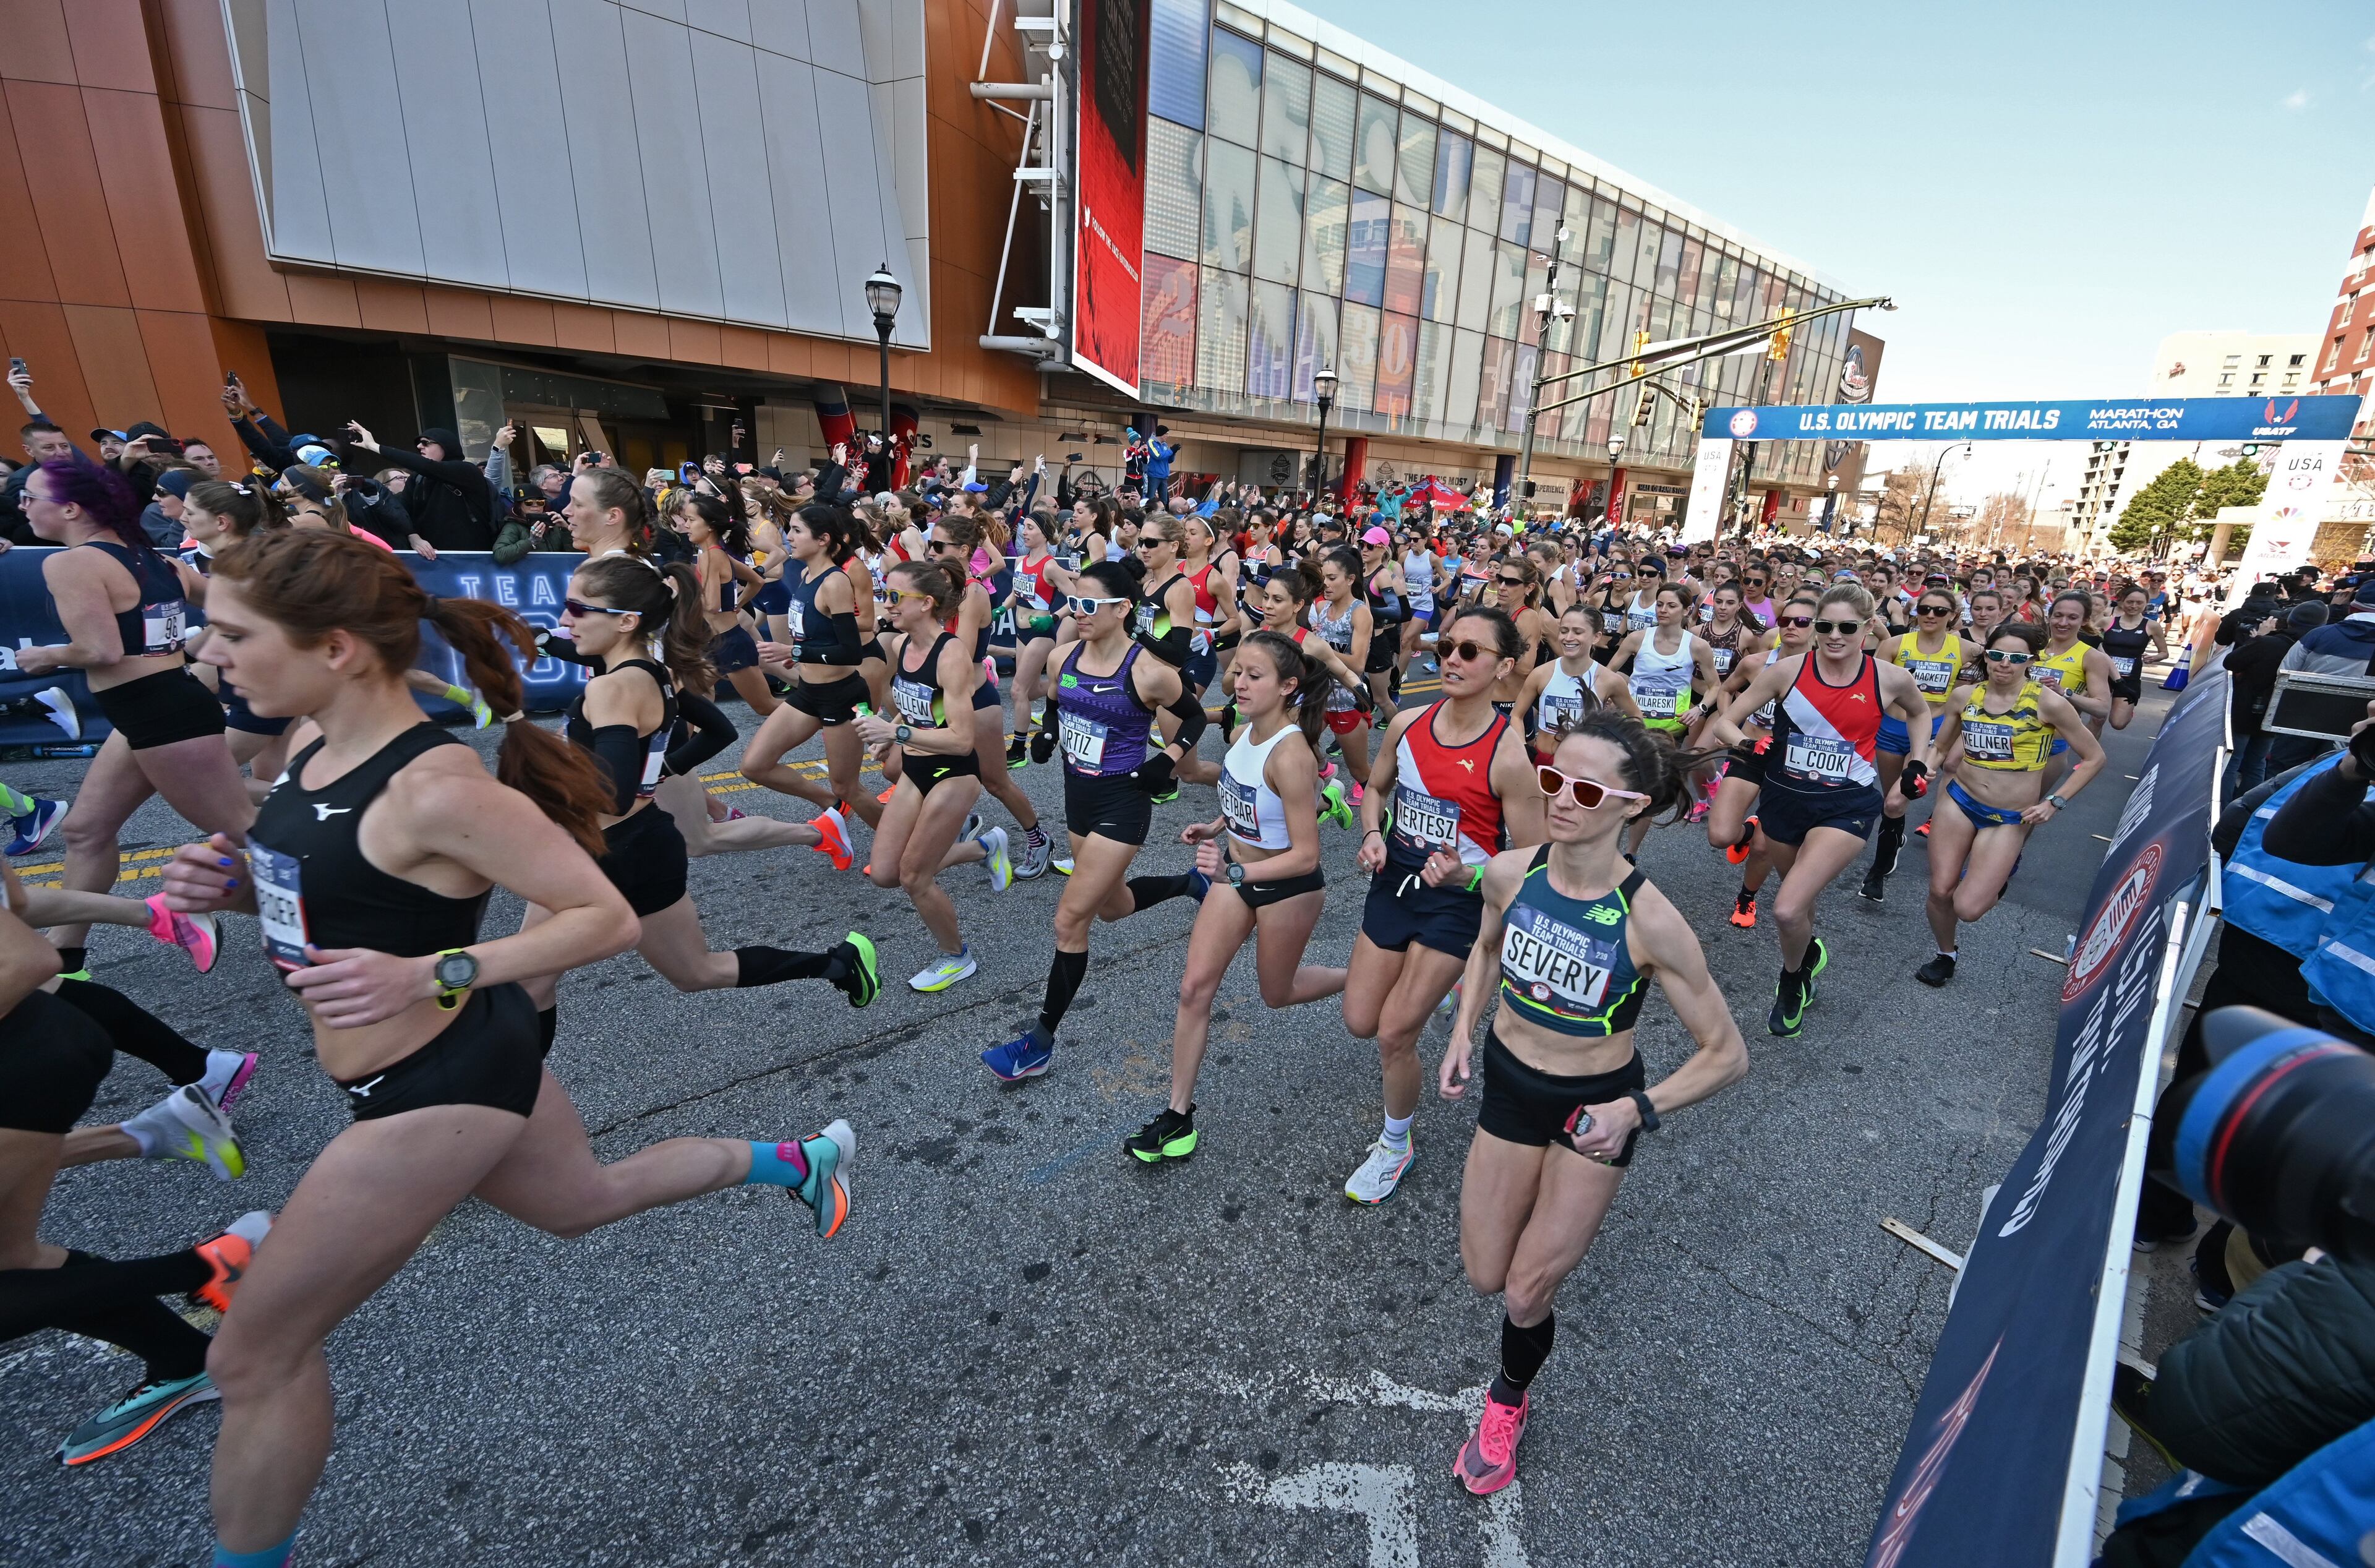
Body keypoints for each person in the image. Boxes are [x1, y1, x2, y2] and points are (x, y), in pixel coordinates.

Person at [161, 528, 860, 1568]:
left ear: (338, 646)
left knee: (256, 1352)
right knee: (586, 1201)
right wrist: (241, 880)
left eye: (230, 633)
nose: (209, 654)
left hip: (435, 1084)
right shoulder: (309, 744)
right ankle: (800, 1163)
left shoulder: (437, 785)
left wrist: (432, 973)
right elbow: (336, 862)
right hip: (452, 1061)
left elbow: (601, 917)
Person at [1436, 711, 1748, 1496]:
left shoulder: (1653, 921)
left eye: (1582, 788)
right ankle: (1517, 1355)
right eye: (1552, 779)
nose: (1560, 799)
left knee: (1525, 1289)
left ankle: (1507, 1400)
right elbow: (1484, 949)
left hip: (1591, 1115)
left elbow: (1727, 1054)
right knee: (1483, 1273)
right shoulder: (1511, 872)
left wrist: (1636, 1110)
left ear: (1631, 806)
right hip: (1510, 1084)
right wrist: (1462, 1032)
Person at [522, 551, 880, 1043]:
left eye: (578, 609)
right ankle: (838, 964)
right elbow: (717, 730)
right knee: (695, 972)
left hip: (609, 851)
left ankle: (519, 1097)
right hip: (639, 843)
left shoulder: (611, 690)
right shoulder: (652, 671)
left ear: (626, 620)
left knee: (529, 980)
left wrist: (540, 777)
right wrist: (664, 769)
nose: (565, 619)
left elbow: (615, 795)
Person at [12, 452, 257, 978]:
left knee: (246, 830)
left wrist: (44, 655)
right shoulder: (153, 557)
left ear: (73, 508)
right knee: (84, 830)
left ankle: (356, 905)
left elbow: (99, 649)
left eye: (31, 497)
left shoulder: (71, 563)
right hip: (161, 707)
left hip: (165, 716)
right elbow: (232, 602)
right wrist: (192, 652)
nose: (22, 505)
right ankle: (67, 959)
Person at [1341, 607, 1546, 1203]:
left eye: (1471, 652)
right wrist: (1372, 834)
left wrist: (1469, 873)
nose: (1452, 658)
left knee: (1392, 1033)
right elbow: (1375, 788)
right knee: (1359, 1019)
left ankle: (1395, 1144)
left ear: (1504, 667)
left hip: (1456, 904)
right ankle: (1437, 986)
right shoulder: (1407, 724)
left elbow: (1533, 860)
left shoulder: (1508, 757)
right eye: (1449, 646)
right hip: (1396, 882)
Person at [1129, 630, 1348, 1161]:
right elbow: (1244, 796)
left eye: (1255, 675)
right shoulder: (1242, 735)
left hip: (1286, 886)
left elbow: (1306, 856)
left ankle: (1370, 977)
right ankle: (1178, 1116)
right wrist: (1215, 825)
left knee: (1279, 992)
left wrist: (1234, 869)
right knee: (1193, 989)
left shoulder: (1292, 753)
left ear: (1288, 686)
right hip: (1237, 879)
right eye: (1238, 673)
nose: (1239, 683)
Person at [981, 563, 1199, 1082]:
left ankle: (1038, 1042)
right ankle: (1190, 882)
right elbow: (1055, 701)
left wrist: (1166, 759)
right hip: (1078, 799)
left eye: (1088, 605)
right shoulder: (1063, 656)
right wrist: (1048, 733)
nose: (1075, 612)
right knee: (1113, 907)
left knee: (1069, 921)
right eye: (1073, 602)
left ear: (1122, 610)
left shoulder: (1147, 670)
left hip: (1124, 805)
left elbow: (1192, 718)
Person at [1706, 583, 1933, 1039]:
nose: (1834, 635)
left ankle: (1792, 979)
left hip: (1847, 805)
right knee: (1801, 901)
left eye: (1847, 627)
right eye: (1824, 625)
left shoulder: (1888, 678)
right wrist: (1750, 744)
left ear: (1867, 629)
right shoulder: (1787, 671)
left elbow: (1920, 713)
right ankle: (1807, 954)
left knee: (1787, 909)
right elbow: (1725, 723)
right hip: (1784, 799)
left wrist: (1918, 761)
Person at [854, 559, 1014, 992]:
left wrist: (897, 731)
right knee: (886, 872)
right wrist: (890, 733)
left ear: (925, 604)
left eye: (894, 597)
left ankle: (956, 957)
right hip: (916, 766)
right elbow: (922, 704)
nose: (885, 604)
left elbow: (963, 739)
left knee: (913, 877)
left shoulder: (952, 653)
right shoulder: (903, 645)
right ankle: (984, 847)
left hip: (954, 774)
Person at [1915, 623, 2105, 985]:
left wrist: (2055, 802)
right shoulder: (1965, 696)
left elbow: (2095, 758)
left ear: (2030, 661)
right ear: (1986, 655)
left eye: (2016, 658)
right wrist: (1926, 769)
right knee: (1941, 890)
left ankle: (1995, 881)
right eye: (1997, 655)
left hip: (2008, 817)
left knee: (1968, 908)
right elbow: (1940, 747)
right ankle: (1945, 954)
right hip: (1960, 800)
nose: (2004, 664)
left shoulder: (2048, 703)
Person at [740, 503, 883, 849]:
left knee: (848, 785)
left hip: (841, 694)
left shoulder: (836, 582)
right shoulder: (804, 576)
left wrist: (794, 652)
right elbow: (814, 636)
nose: (789, 537)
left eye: (797, 531)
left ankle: (908, 844)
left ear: (823, 540)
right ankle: (832, 808)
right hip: (808, 693)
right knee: (755, 765)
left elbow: (850, 650)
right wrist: (800, 658)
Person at [1705, 588, 1822, 930]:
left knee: (1761, 849)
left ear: (1817, 628)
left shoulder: (1826, 674)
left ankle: (1747, 898)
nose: (1792, 627)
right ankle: (1745, 831)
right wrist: (1732, 727)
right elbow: (1727, 690)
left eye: (1802, 622)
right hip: (1751, 753)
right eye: (1785, 620)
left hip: (1792, 766)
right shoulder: (1757, 664)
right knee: (1720, 836)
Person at [1860, 585, 1964, 902]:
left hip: (1932, 728)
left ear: (1953, 617)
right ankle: (1895, 836)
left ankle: (1876, 873)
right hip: (1891, 727)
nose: (1931, 615)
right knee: (1892, 802)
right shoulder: (1895, 644)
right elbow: (1873, 686)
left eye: (1940, 611)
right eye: (1924, 609)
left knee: (1896, 800)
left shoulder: (1967, 651)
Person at [676, 489, 776, 717]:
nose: (686, 525)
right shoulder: (716, 553)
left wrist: (681, 591)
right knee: (688, 695)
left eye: (691, 520)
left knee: (765, 706)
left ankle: (831, 721)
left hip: (730, 644)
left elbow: (711, 605)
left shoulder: (711, 556)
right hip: (716, 642)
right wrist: (738, 603)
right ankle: (687, 747)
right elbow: (757, 580)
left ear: (710, 526)